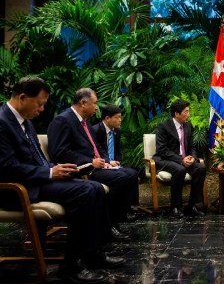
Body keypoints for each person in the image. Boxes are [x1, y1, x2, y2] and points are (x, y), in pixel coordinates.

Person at [0, 77, 124, 283]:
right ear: (22, 98)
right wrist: (49, 173)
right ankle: (70, 267)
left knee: (94, 188)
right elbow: (7, 168)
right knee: (85, 193)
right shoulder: (3, 123)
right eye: (40, 103)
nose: (41, 109)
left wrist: (56, 168)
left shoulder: (26, 122)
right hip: (16, 189)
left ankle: (94, 254)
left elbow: (38, 160)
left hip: (36, 180)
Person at [47, 88, 137, 240]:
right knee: (122, 178)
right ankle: (108, 225)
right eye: (94, 103)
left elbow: (97, 147)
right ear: (83, 103)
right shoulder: (63, 120)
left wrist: (107, 161)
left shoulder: (85, 123)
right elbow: (59, 152)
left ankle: (113, 221)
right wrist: (90, 162)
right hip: (83, 169)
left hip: (96, 166)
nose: (96, 107)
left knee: (131, 174)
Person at [153, 99, 206, 217]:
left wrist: (192, 157)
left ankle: (191, 206)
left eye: (189, 111)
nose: (189, 114)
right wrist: (180, 160)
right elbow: (162, 150)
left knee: (200, 168)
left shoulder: (188, 126)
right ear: (177, 114)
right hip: (166, 160)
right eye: (186, 112)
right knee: (180, 169)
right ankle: (175, 206)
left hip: (184, 160)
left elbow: (192, 146)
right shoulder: (164, 127)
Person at [92, 103, 139, 220]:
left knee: (133, 173)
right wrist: (108, 161)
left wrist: (117, 162)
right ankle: (116, 212)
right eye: (117, 117)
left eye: (120, 117)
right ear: (107, 118)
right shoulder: (95, 130)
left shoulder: (116, 131)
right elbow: (96, 149)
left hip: (113, 165)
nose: (120, 120)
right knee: (123, 176)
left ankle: (128, 207)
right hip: (100, 166)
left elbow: (118, 151)